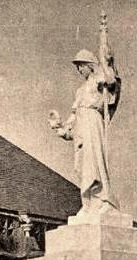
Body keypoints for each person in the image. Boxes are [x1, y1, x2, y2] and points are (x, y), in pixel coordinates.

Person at [49, 47, 121, 216]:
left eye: (81, 65)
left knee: (95, 162)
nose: (79, 70)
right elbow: (73, 116)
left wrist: (109, 62)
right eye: (78, 67)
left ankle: (103, 199)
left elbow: (112, 83)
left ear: (90, 65)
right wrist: (61, 128)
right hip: (81, 126)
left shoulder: (99, 80)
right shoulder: (80, 91)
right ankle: (88, 202)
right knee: (81, 166)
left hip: (93, 122)